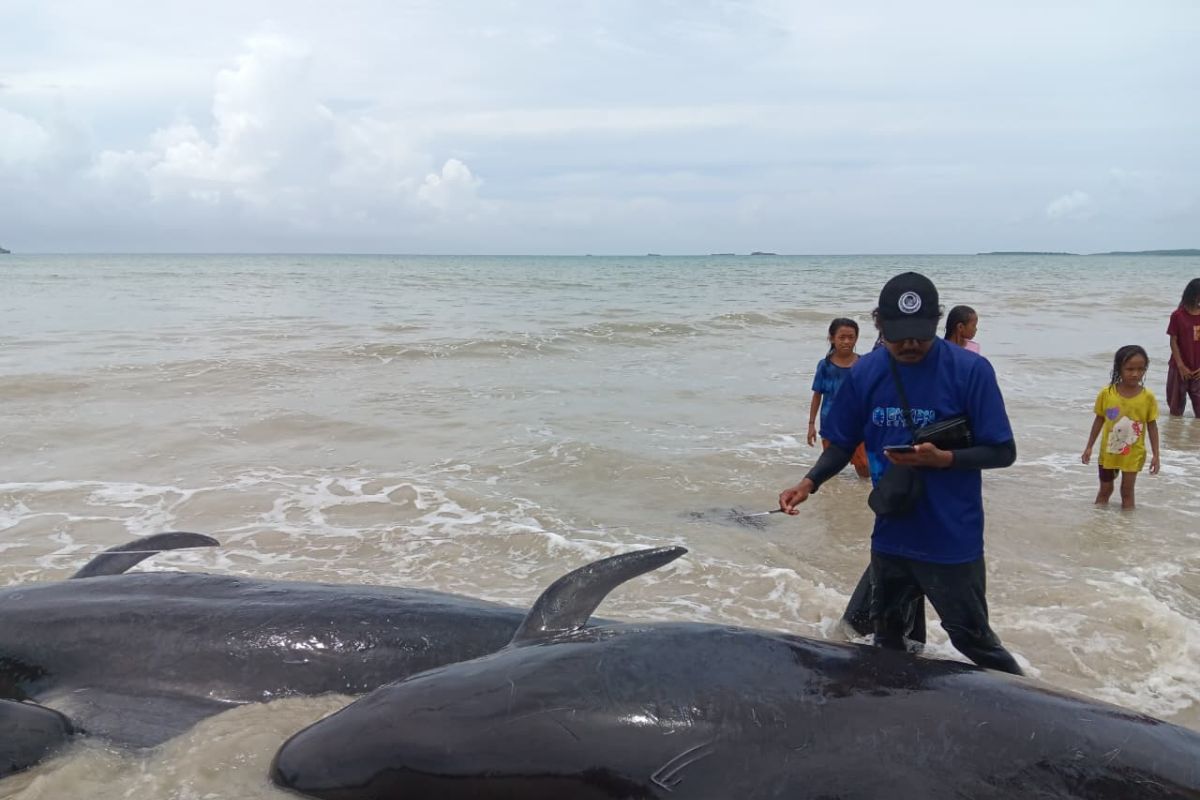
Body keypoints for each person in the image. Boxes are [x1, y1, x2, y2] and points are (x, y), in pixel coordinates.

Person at [779, 272, 1022, 675]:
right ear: (879, 326)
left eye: (920, 335)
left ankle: (1034, 712)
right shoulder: (866, 373)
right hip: (892, 532)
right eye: (899, 335)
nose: (910, 344)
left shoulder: (971, 371)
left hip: (951, 536)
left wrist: (944, 460)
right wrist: (809, 482)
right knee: (888, 640)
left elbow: (1003, 451)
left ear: (936, 324)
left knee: (973, 639)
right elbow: (841, 442)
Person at [1081, 345, 1160, 509]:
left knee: (1127, 491)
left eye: (1140, 369)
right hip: (1108, 452)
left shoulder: (1148, 398)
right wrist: (1089, 446)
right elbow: (1099, 420)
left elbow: (1152, 426)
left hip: (1133, 453)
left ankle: (1126, 529)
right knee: (1105, 490)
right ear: (1119, 368)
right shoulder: (1107, 393)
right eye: (1130, 369)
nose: (1135, 374)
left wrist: (1156, 455)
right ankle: (1098, 524)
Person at [808, 318, 870, 479]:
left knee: (864, 466)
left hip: (857, 423)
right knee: (830, 466)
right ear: (832, 338)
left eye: (851, 337)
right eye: (842, 337)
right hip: (830, 422)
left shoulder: (863, 364)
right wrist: (811, 425)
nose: (846, 341)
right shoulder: (825, 366)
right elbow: (817, 395)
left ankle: (863, 497)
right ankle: (834, 499)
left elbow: (870, 395)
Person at [1166, 278, 1200, 417]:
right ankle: (1174, 437)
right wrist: (1180, 366)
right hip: (1178, 368)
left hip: (1198, 370)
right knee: (1175, 410)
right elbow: (1173, 341)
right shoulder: (1177, 315)